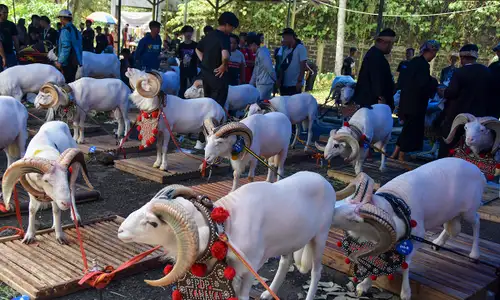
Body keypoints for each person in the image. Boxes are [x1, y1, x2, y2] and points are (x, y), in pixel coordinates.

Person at [437, 44, 496, 158]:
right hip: (478, 116)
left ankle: (444, 163)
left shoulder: (460, 72)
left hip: (457, 115)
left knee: (449, 142)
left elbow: (452, 92)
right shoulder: (487, 72)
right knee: (472, 146)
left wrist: (443, 92)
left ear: (462, 58)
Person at [391, 40, 440, 161]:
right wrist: (434, 83)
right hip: (416, 104)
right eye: (434, 52)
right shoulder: (422, 65)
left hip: (407, 101)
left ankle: (395, 153)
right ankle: (401, 155)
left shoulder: (413, 63)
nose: (434, 56)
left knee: (407, 128)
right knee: (410, 130)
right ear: (430, 51)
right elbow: (423, 84)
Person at [196, 11, 238, 148]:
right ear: (226, 25)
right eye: (232, 27)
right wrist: (223, 65)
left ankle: (200, 141)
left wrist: (205, 62)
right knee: (217, 110)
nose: (232, 30)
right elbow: (225, 55)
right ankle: (212, 141)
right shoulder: (224, 37)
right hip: (219, 79)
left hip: (206, 77)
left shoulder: (209, 36)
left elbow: (197, 48)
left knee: (207, 108)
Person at [351, 28, 396, 110]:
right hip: (372, 106)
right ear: (384, 42)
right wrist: (381, 99)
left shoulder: (375, 55)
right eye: (391, 44)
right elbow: (377, 80)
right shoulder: (375, 57)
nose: (391, 47)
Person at [276, 28, 307, 96]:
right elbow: (282, 66)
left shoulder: (300, 48)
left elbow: (303, 66)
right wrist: (279, 80)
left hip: (295, 84)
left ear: (290, 37)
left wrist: (299, 81)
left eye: (284, 37)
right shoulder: (285, 50)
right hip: (284, 84)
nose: (283, 40)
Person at [56, 9, 83, 83]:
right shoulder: (74, 29)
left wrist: (60, 61)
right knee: (72, 83)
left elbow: (66, 47)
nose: (60, 20)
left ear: (64, 18)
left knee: (66, 84)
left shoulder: (65, 30)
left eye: (60, 18)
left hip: (67, 62)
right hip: (75, 61)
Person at [248, 33, 275, 100]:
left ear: (254, 44)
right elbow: (255, 71)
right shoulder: (259, 53)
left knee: (259, 104)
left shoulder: (262, 53)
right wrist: (249, 85)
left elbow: (269, 68)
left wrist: (275, 79)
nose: (250, 48)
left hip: (264, 84)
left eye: (250, 46)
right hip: (262, 83)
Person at [177, 25, 198, 97]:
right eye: (187, 32)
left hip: (193, 69)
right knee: (182, 87)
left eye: (190, 32)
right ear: (183, 33)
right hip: (183, 69)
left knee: (194, 87)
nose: (188, 34)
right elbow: (178, 56)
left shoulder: (196, 45)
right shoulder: (181, 46)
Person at [0, 4, 19, 70]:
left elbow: (15, 39)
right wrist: (3, 57)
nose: (6, 14)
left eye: (7, 12)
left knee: (13, 71)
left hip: (10, 53)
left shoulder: (11, 24)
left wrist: (18, 51)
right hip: (1, 54)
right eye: (4, 12)